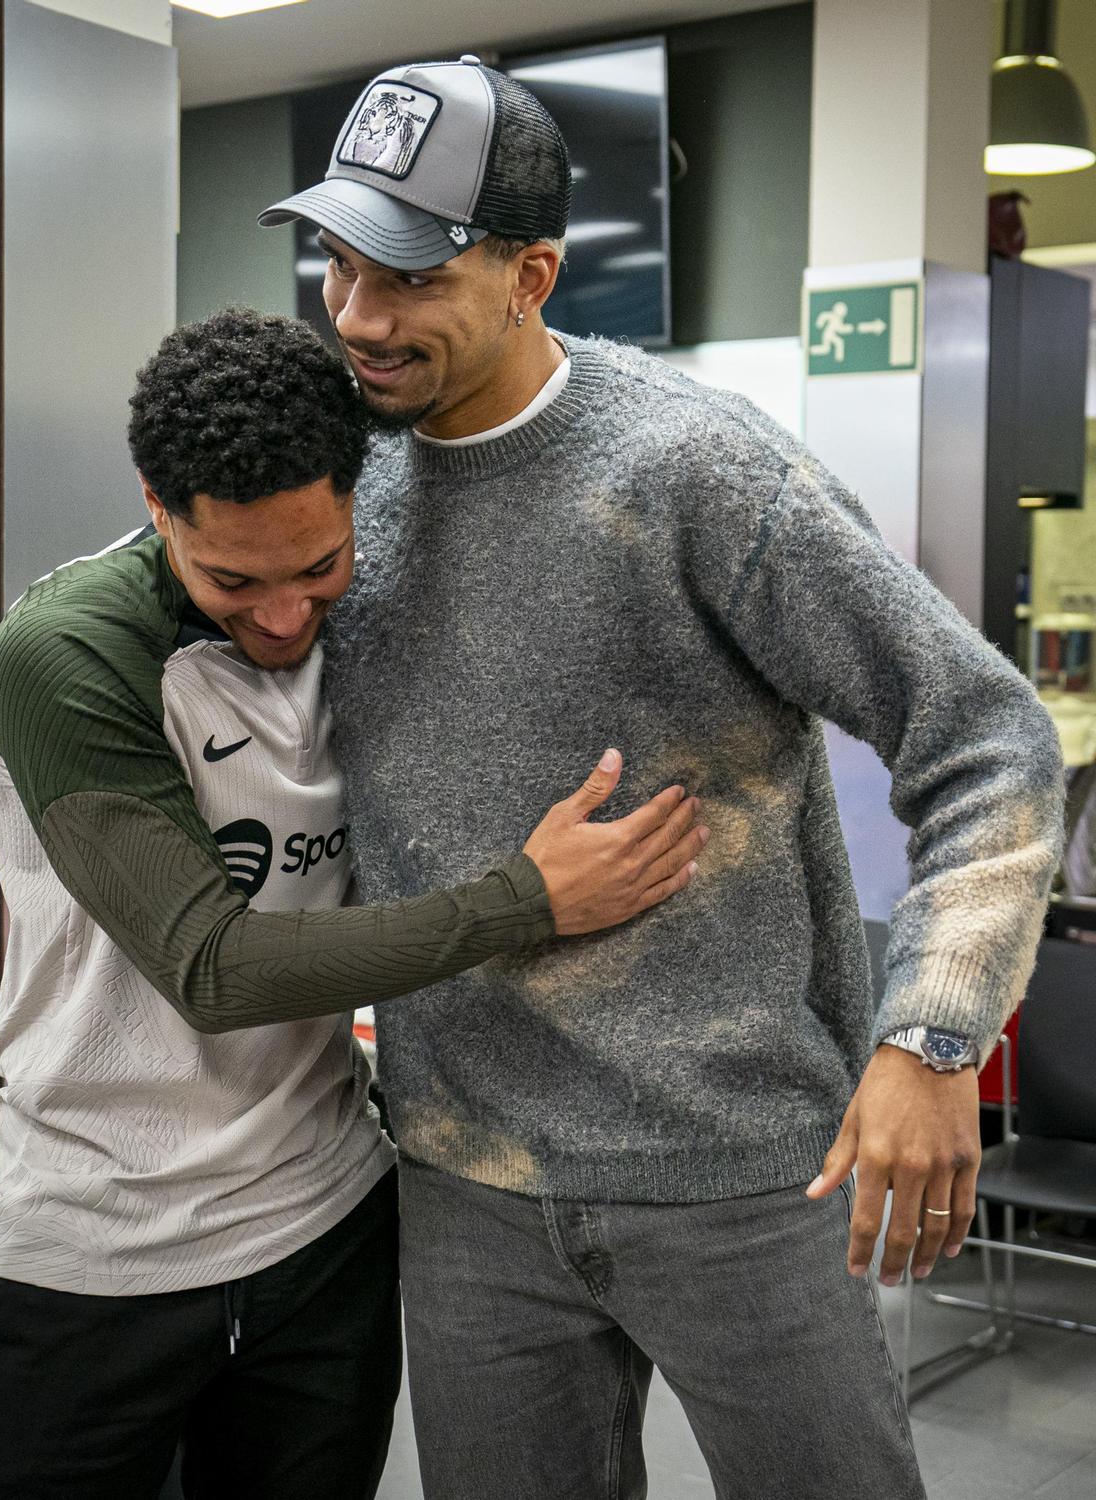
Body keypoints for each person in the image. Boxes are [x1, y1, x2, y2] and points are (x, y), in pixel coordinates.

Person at [250, 55, 1065, 1499]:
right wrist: (55, 693)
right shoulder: (335, 472)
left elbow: (987, 741)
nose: (359, 316)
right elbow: (176, 577)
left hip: (745, 1176)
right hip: (464, 1182)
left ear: (532, 274)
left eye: (408, 278)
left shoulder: (695, 474)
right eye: (335, 262)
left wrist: (932, 1040)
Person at [0, 309, 707, 1500]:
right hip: (97, 1250)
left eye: (318, 567)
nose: (285, 616)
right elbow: (215, 971)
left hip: (322, 1234)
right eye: (232, 579)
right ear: (156, 505)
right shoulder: (67, 654)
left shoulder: (372, 617)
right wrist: (525, 902)